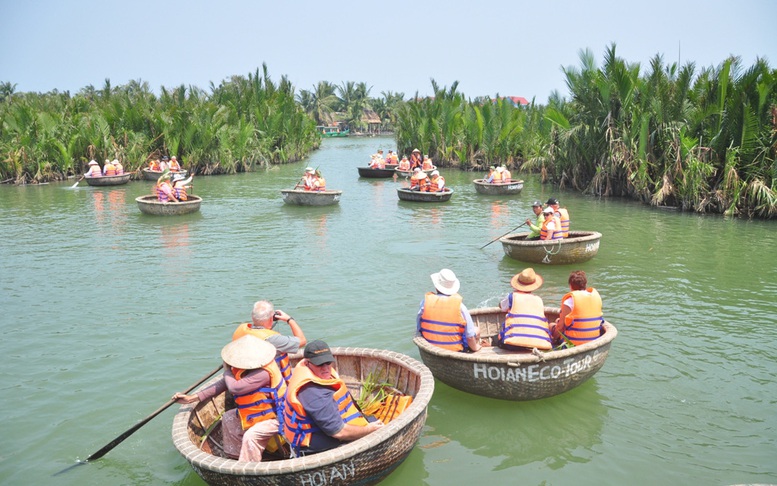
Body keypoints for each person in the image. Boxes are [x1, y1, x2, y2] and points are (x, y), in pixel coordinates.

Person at [173, 335, 286, 462]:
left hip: (277, 416)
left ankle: (249, 466)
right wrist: (191, 398)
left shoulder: (263, 373)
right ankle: (236, 457)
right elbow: (223, 384)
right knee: (228, 418)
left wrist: (227, 370)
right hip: (255, 415)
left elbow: (235, 388)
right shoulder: (243, 368)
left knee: (251, 436)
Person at [283, 340, 383, 456]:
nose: (325, 368)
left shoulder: (315, 375)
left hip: (326, 427)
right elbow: (339, 432)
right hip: (317, 448)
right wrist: (368, 430)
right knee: (376, 428)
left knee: (372, 420)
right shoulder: (313, 393)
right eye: (319, 364)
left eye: (328, 362)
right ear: (307, 363)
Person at [233, 300, 307, 384]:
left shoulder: (241, 330)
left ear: (253, 317)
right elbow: (302, 340)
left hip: (244, 374)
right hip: (270, 383)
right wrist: (289, 319)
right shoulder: (272, 339)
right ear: (271, 318)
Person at [417, 268, 485, 352]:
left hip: (430, 346)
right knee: (476, 330)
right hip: (455, 349)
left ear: (436, 286)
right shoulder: (461, 307)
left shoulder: (425, 302)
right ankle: (470, 351)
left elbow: (418, 326)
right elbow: (470, 336)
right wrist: (476, 348)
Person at [498, 268, 551, 351]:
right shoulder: (539, 299)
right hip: (538, 344)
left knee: (501, 331)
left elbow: (501, 306)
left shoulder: (512, 296)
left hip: (513, 345)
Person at [551, 270, 603, 347]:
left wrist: (553, 339)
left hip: (573, 343)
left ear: (571, 286)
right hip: (593, 340)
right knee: (557, 321)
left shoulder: (569, 302)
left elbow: (560, 327)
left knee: (552, 325)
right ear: (585, 284)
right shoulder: (596, 297)